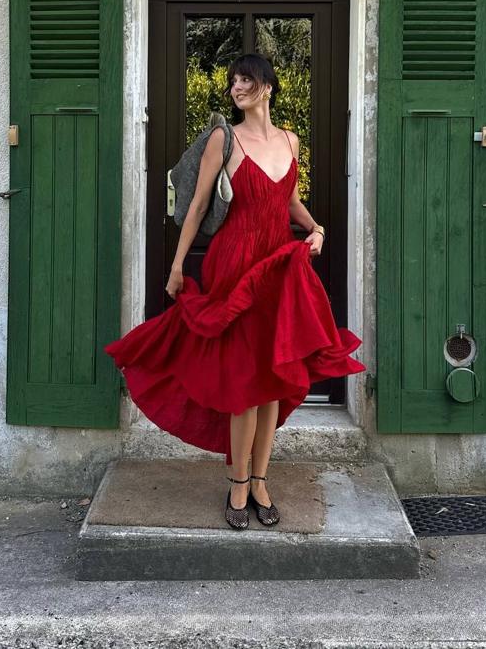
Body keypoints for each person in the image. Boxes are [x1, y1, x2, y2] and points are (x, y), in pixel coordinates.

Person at [102, 53, 365, 530]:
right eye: (233, 82)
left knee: (272, 385)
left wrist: (317, 227)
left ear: (267, 86)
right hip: (233, 267)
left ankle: (261, 479)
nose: (236, 88)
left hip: (277, 270)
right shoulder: (224, 138)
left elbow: (286, 200)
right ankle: (238, 484)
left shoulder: (291, 139)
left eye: (245, 80)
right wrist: (178, 265)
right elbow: (199, 205)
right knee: (245, 385)